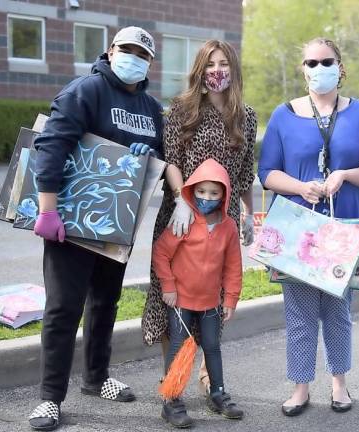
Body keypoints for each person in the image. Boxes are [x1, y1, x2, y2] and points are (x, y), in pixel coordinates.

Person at [27, 27, 163, 431]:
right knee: (63, 308)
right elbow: (52, 145)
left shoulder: (151, 108)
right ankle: (50, 398)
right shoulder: (84, 91)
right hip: (70, 222)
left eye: (142, 54)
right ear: (110, 50)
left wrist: (150, 152)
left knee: (105, 302)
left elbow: (160, 157)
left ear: (149, 64)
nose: (133, 58)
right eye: (127, 50)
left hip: (116, 226)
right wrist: (47, 209)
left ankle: (96, 377)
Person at [258, 37, 359, 416]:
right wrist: (300, 187)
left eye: (325, 61)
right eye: (310, 63)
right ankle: (300, 387)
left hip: (343, 227)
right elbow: (266, 173)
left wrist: (343, 173)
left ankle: (339, 384)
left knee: (338, 309)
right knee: (298, 312)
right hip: (298, 229)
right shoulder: (283, 115)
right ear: (302, 69)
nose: (318, 69)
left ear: (339, 66)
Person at [141, 39, 257, 395]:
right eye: (209, 64)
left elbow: (245, 171)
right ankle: (172, 381)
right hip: (180, 215)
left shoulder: (246, 116)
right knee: (170, 298)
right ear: (199, 70)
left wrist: (249, 213)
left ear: (233, 70)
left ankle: (211, 381)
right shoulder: (182, 109)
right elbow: (172, 160)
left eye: (223, 64)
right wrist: (180, 200)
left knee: (214, 296)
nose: (216, 71)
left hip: (223, 220)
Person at [153, 158, 244, 427]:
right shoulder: (185, 220)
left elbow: (233, 267)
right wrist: (168, 286)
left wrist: (231, 299)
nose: (207, 198)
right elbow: (161, 253)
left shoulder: (228, 227)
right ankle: (171, 400)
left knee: (213, 348)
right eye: (201, 192)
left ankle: (217, 393)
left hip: (210, 303)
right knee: (179, 350)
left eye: (214, 193)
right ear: (192, 190)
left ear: (224, 195)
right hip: (180, 300)